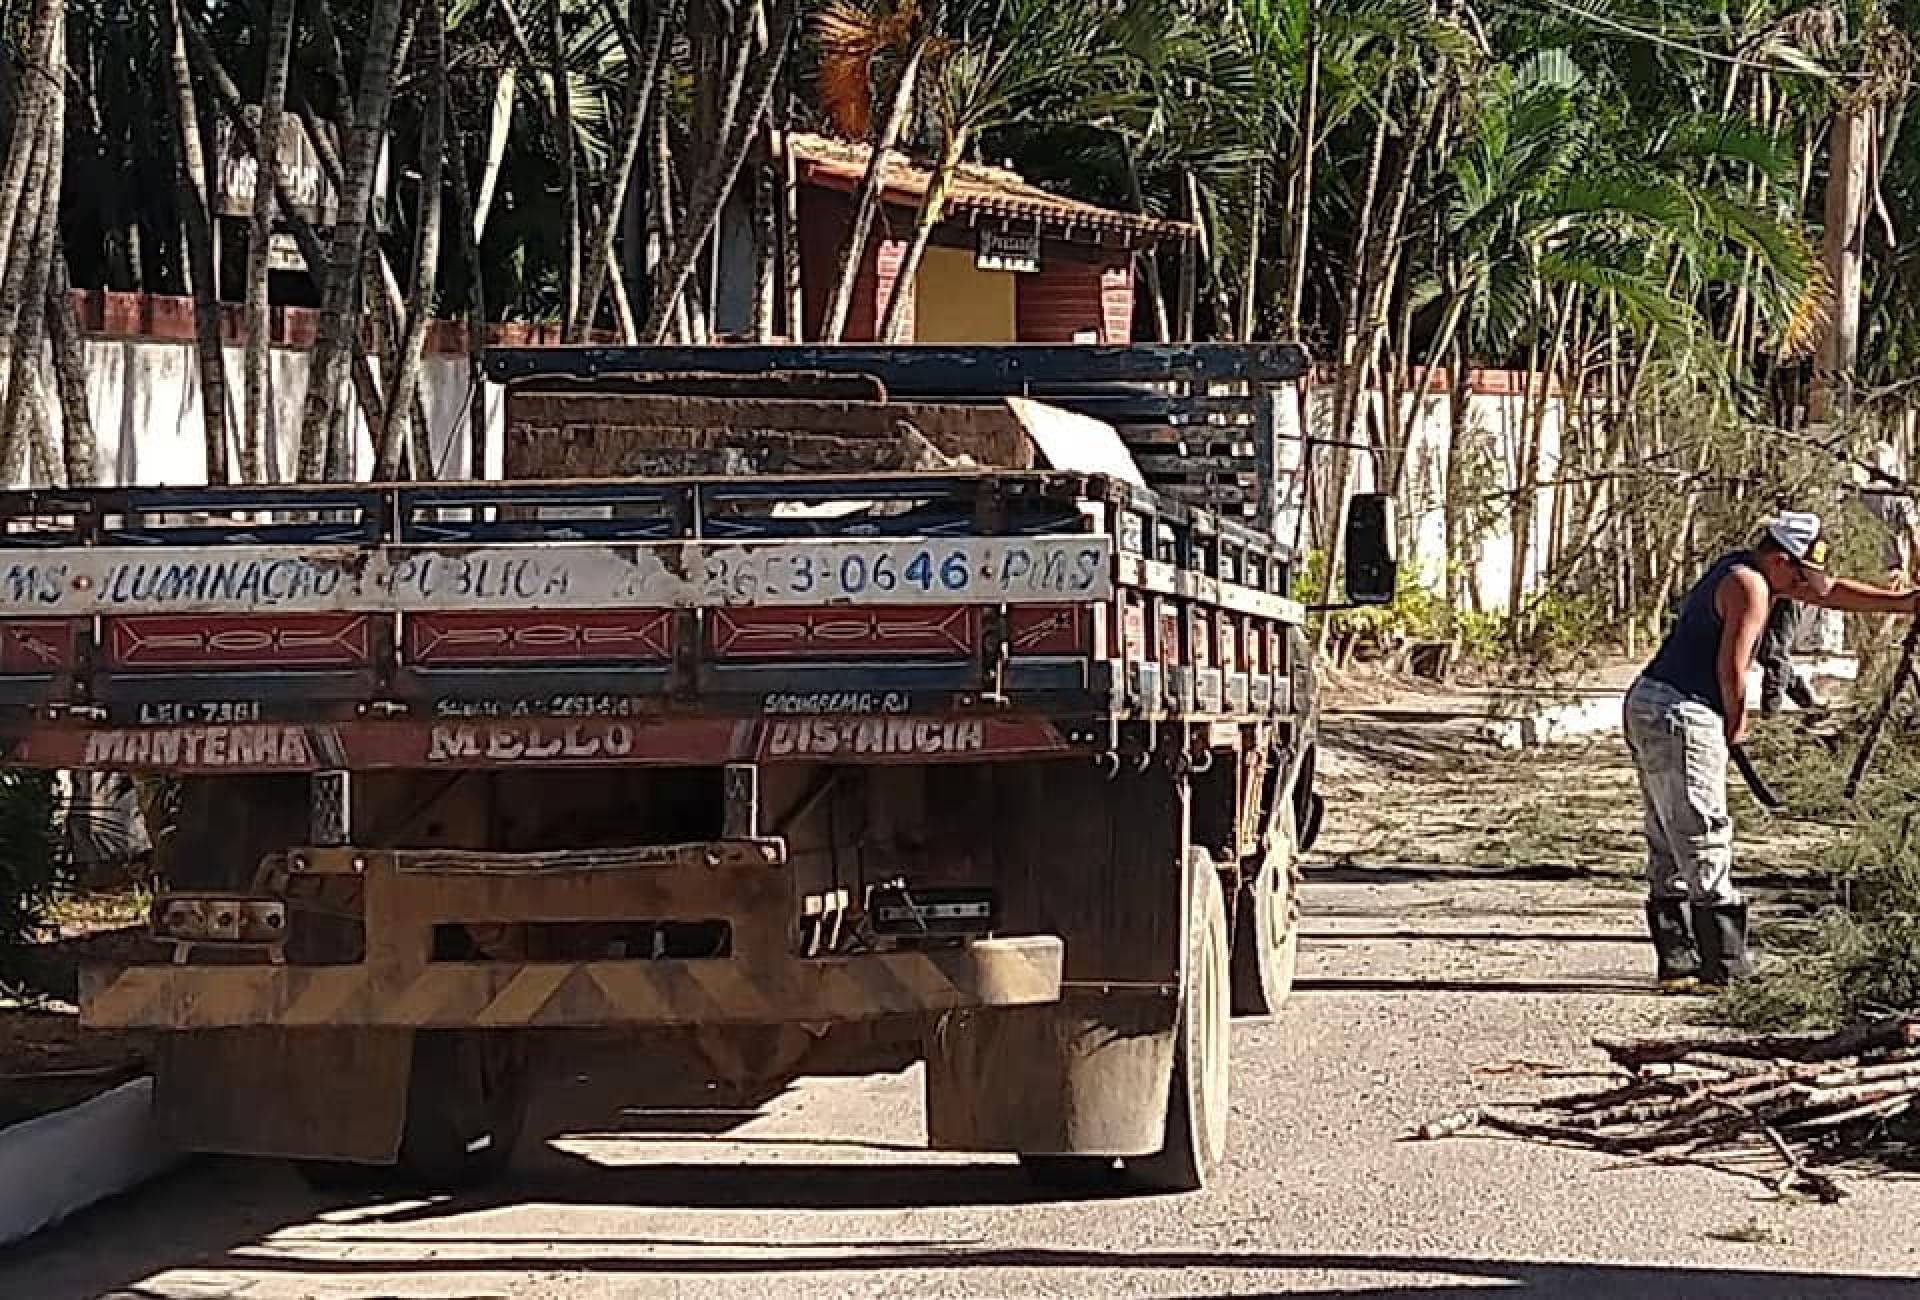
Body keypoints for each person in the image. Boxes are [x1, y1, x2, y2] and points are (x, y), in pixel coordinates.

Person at [1624, 511, 1919, 990]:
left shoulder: (1755, 571)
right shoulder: (1749, 586)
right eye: (1800, 574)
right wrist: (1736, 726)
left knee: (1669, 831)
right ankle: (1724, 963)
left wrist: (1902, 604)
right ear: (1780, 560)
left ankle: (1679, 959)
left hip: (1653, 703)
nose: (1805, 587)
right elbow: (1732, 668)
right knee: (1700, 828)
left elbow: (1831, 591)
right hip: (1681, 711)